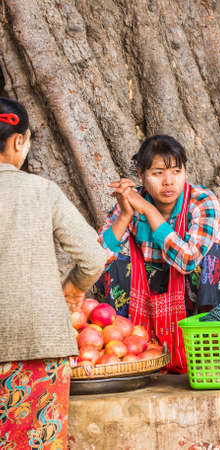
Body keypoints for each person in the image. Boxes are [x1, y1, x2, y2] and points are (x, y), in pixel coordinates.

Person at [95, 135, 220, 373]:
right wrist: (125, 215)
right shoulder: (133, 202)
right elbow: (96, 259)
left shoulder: (203, 201)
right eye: (158, 173)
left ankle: (213, 351)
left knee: (211, 259)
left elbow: (188, 261)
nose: (168, 182)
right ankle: (131, 348)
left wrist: (150, 211)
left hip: (205, 292)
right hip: (159, 295)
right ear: (140, 174)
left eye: (176, 171)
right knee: (115, 263)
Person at [0, 97, 107, 448]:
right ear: (19, 141)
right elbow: (93, 258)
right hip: (41, 338)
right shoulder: (42, 192)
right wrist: (73, 289)